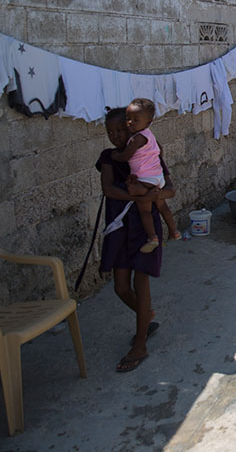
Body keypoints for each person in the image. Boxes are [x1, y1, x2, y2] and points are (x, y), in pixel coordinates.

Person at [97, 107, 176, 373]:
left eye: (121, 129)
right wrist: (140, 195)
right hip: (120, 226)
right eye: (111, 132)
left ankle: (140, 342)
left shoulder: (149, 152)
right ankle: (146, 316)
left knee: (140, 281)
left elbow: (170, 190)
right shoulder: (109, 157)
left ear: (133, 128)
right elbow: (108, 189)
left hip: (145, 225)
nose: (116, 135)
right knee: (120, 286)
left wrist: (151, 195)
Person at [111, 98, 179, 250]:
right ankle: (174, 231)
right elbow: (160, 150)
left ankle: (152, 237)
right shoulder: (149, 135)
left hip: (145, 178)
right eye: (128, 119)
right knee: (162, 206)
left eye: (135, 120)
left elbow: (126, 156)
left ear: (148, 122)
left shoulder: (137, 138)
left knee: (145, 209)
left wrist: (116, 156)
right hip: (158, 178)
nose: (130, 123)